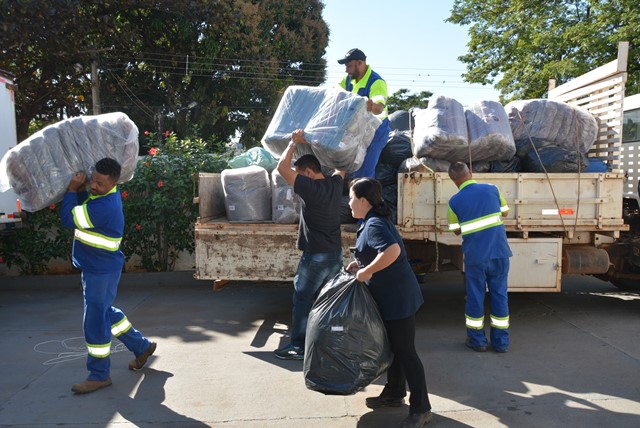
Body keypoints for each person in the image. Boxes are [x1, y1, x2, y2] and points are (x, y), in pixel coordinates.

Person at [61, 158, 156, 394]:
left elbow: (68, 218)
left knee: (94, 321)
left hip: (99, 269)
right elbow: (86, 201)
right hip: (99, 267)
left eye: (99, 183)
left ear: (113, 183)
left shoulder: (103, 207)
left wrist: (72, 190)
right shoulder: (102, 196)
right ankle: (141, 346)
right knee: (104, 311)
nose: (93, 185)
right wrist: (81, 190)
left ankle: (99, 375)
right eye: (92, 179)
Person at [347, 178, 432, 428]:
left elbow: (392, 251)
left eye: (352, 198)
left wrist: (368, 271)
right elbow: (376, 251)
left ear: (364, 200)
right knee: (395, 348)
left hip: (398, 298)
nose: (349, 203)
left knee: (406, 352)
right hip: (392, 296)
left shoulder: (374, 223)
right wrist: (360, 264)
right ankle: (394, 393)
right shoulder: (371, 221)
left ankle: (422, 409)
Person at [273, 129, 346, 360]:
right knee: (329, 300)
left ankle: (298, 346)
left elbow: (281, 168)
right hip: (335, 254)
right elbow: (340, 166)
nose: (297, 177)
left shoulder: (310, 188)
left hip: (315, 256)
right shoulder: (335, 184)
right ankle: (331, 343)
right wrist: (319, 144)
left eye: (300, 173)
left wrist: (294, 142)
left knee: (303, 299)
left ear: (307, 172)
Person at [447, 162, 512, 353]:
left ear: (453, 181)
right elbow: (505, 211)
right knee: (500, 295)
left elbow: (456, 231)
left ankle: (478, 341)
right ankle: (501, 343)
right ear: (471, 173)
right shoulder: (492, 189)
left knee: (475, 296)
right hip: (499, 253)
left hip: (476, 256)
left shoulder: (454, 202)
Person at [338, 48, 390, 179]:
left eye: (349, 66)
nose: (346, 70)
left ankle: (365, 198)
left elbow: (379, 108)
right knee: (351, 167)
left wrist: (371, 106)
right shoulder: (348, 79)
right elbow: (335, 92)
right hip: (358, 130)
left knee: (364, 171)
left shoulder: (377, 82)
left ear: (360, 63)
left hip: (376, 133)